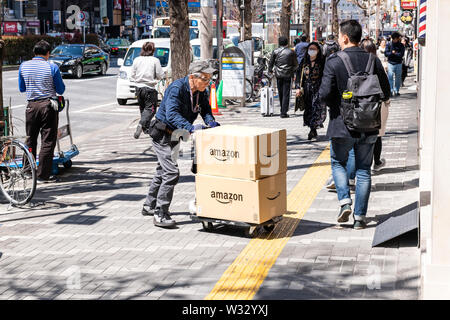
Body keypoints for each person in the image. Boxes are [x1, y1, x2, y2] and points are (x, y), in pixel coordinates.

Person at [319, 20, 390, 229]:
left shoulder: (334, 61)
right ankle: (360, 218)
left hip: (341, 123)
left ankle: (344, 202)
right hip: (368, 122)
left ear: (345, 37)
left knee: (338, 163)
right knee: (363, 170)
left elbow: (324, 95)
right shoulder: (372, 60)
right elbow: (385, 91)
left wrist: (339, 103)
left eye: (340, 36)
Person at [142, 60, 220, 228]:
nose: (208, 83)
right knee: (171, 172)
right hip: (162, 134)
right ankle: (160, 213)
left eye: (209, 79)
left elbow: (205, 109)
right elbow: (171, 115)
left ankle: (149, 204)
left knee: (162, 170)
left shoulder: (201, 91)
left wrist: (210, 121)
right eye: (205, 79)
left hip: (176, 136)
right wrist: (190, 127)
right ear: (193, 77)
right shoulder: (177, 88)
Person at [18, 40, 66, 183]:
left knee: (30, 139)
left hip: (31, 107)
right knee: (47, 141)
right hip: (48, 106)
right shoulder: (52, 67)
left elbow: (22, 88)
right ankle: (42, 175)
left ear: (34, 52)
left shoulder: (23, 66)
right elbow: (60, 89)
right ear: (48, 53)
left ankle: (27, 171)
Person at [360, 38, 390, 172]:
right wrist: (386, 98)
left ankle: (361, 165)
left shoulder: (354, 61)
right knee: (377, 134)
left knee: (360, 135)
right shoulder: (375, 61)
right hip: (376, 103)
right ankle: (376, 162)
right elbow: (384, 83)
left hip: (358, 104)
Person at [130, 42, 165, 139]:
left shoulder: (137, 60)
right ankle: (141, 125)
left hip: (138, 87)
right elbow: (160, 75)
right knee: (151, 109)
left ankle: (146, 129)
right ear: (153, 50)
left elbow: (132, 75)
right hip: (149, 87)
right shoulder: (155, 60)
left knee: (143, 108)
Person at [295, 42, 327, 140]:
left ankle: (313, 128)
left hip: (319, 88)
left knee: (317, 107)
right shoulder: (304, 62)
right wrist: (297, 88)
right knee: (309, 108)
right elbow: (299, 76)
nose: (311, 51)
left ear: (318, 51)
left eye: (314, 49)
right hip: (307, 89)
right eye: (310, 49)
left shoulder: (322, 61)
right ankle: (312, 127)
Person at [269, 36, 298, 118]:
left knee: (280, 92)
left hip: (278, 74)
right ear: (287, 42)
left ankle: (283, 109)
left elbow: (271, 62)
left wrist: (270, 70)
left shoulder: (275, 51)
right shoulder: (291, 52)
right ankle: (283, 112)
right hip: (288, 74)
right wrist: (293, 71)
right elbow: (296, 64)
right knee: (286, 93)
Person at [384, 31, 405, 97]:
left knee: (398, 78)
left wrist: (394, 54)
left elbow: (401, 54)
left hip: (399, 63)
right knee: (390, 77)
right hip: (390, 63)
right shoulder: (389, 44)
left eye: (397, 38)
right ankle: (391, 90)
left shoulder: (401, 45)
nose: (396, 40)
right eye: (395, 39)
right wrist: (392, 53)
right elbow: (386, 53)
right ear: (393, 38)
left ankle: (396, 90)